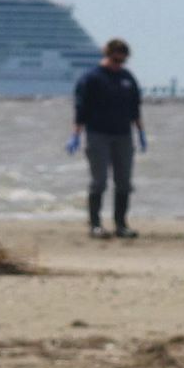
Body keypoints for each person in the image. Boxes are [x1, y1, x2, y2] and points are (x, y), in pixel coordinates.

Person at [68, 38, 146, 239]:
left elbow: (135, 108)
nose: (119, 64)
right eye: (116, 60)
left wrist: (141, 132)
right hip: (97, 134)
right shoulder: (92, 78)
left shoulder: (128, 78)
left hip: (123, 134)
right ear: (107, 55)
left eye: (122, 61)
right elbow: (81, 108)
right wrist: (76, 134)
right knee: (99, 181)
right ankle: (95, 224)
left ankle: (121, 224)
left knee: (124, 182)